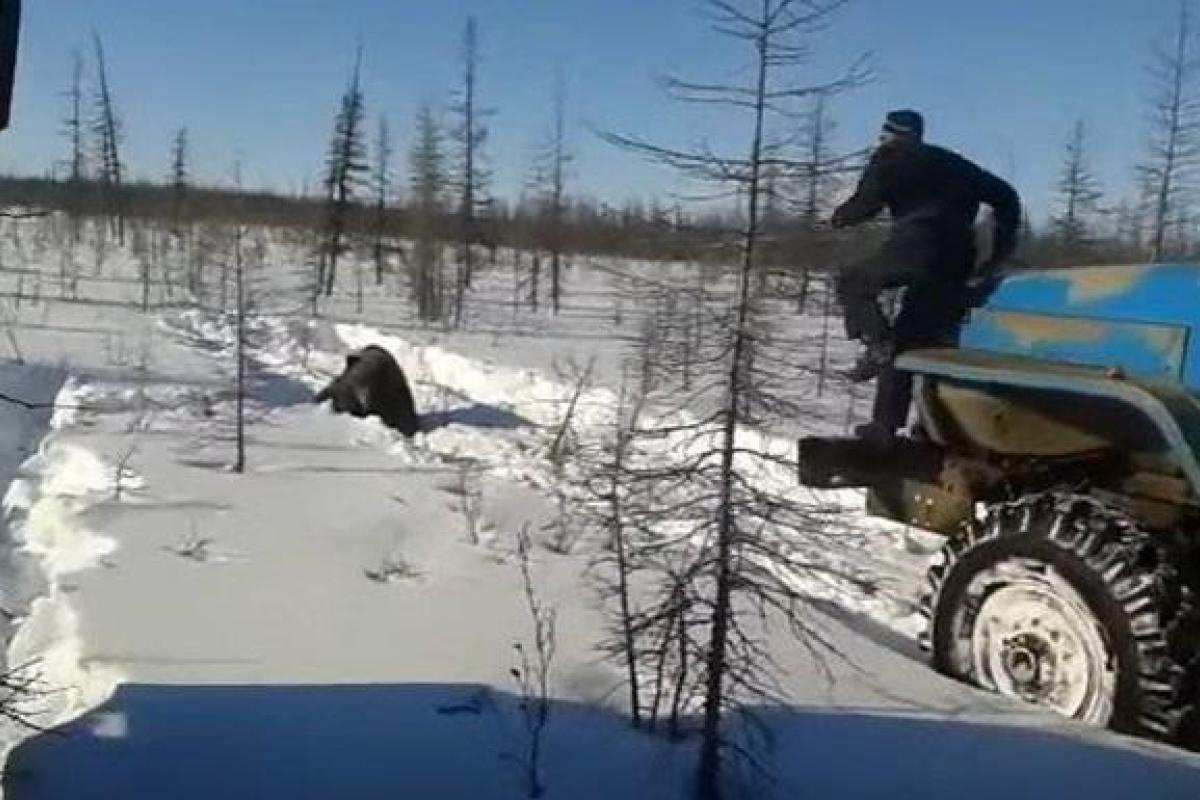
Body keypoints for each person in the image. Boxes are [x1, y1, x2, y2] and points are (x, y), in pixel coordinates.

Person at [830, 109, 1021, 443]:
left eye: (884, 134)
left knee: (853, 281)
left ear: (894, 134)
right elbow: (1006, 197)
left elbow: (865, 205)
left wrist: (840, 217)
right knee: (915, 337)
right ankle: (914, 426)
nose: (880, 140)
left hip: (917, 244)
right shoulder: (955, 162)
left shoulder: (888, 158)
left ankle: (877, 346)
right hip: (959, 257)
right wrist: (997, 253)